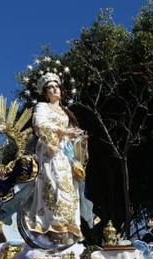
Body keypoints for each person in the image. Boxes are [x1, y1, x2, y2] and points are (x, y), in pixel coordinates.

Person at [22, 72, 90, 248]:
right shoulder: (41, 107)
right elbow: (39, 125)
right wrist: (64, 132)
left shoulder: (66, 112)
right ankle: (53, 230)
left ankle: (68, 231)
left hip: (66, 155)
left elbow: (71, 134)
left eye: (56, 86)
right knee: (54, 187)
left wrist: (79, 139)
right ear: (45, 92)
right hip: (49, 153)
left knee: (69, 191)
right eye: (50, 87)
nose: (54, 89)